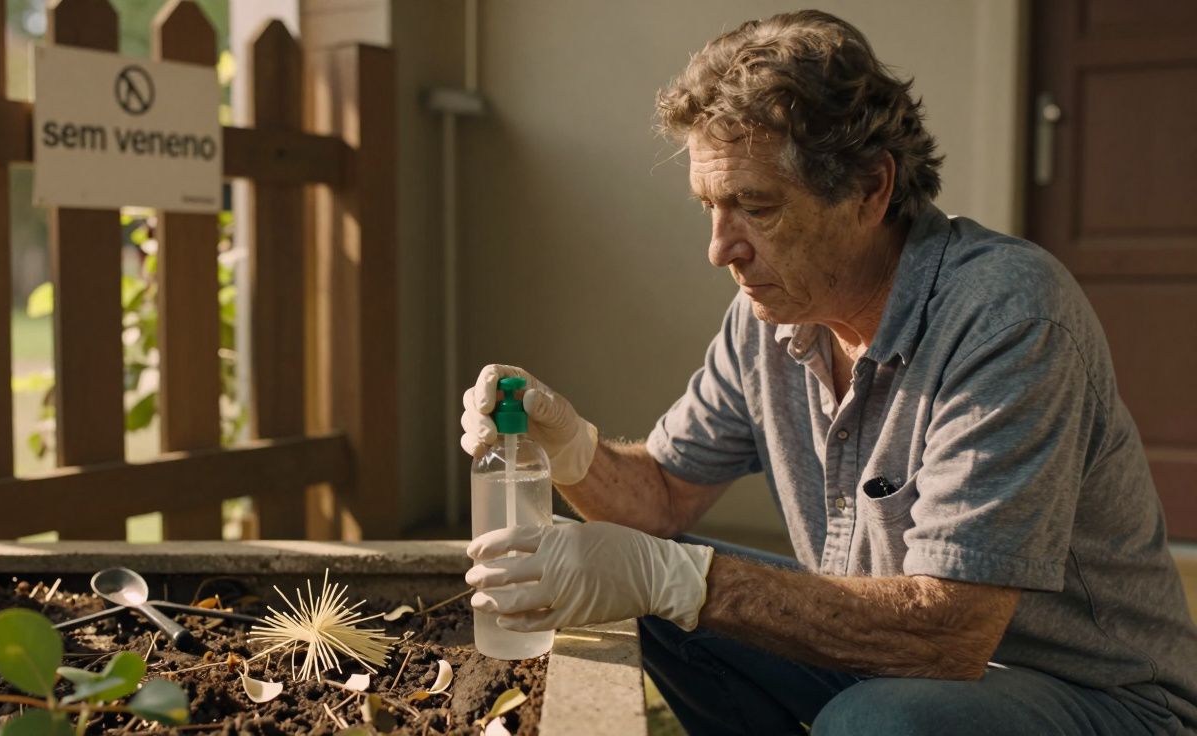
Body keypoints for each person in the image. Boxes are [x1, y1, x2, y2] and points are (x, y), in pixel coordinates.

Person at [458, 10, 1197, 736]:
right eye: (709, 206)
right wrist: (571, 448)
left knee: (873, 719)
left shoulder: (1008, 319)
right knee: (657, 591)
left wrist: (675, 579)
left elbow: (951, 634)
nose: (721, 248)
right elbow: (658, 497)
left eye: (755, 206)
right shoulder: (770, 317)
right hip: (901, 661)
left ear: (871, 188)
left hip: (1096, 699)